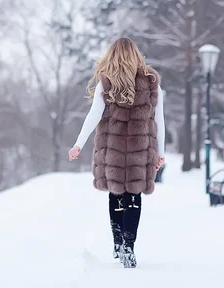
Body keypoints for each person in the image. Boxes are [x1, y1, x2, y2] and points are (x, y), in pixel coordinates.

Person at [68, 37, 165, 269]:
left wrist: (78, 144)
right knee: (134, 197)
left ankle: (118, 243)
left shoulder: (107, 82)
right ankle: (129, 247)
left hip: (113, 150)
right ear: (136, 54)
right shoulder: (152, 81)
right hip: (139, 151)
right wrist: (161, 151)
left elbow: (94, 115)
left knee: (116, 195)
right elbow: (159, 120)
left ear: (112, 55)